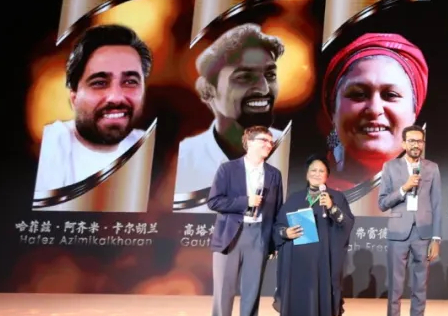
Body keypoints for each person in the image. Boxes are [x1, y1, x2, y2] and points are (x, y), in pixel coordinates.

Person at [175, 23, 286, 213]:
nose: (264, 89)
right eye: (244, 77)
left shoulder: (291, 152)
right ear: (209, 90)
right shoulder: (182, 160)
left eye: (270, 75)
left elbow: (304, 227)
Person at [34, 24, 153, 198]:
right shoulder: (50, 148)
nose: (116, 97)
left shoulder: (154, 151)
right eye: (99, 83)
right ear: (74, 97)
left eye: (130, 82)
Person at [205, 125, 284, 316]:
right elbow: (214, 201)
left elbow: (276, 211)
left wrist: (273, 243)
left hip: (258, 237)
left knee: (251, 296)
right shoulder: (228, 169)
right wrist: (245, 202)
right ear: (248, 142)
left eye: (271, 141)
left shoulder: (274, 174)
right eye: (264, 140)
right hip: (230, 236)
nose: (269, 145)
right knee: (223, 295)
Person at [321, 33, 429, 197]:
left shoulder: (434, 193)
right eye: (358, 95)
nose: (374, 109)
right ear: (333, 110)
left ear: (415, 111)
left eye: (391, 95)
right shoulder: (303, 194)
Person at [272, 155, 355, 316]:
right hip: (296, 262)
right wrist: (285, 232)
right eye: (313, 170)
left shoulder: (336, 197)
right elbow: (278, 226)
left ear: (327, 175)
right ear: (307, 174)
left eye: (321, 171)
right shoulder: (294, 198)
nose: (317, 174)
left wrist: (332, 207)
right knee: (297, 303)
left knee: (317, 301)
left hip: (321, 263)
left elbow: (346, 225)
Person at [378, 125, 442, 316]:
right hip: (398, 234)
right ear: (403, 144)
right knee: (395, 292)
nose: (416, 145)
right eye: (411, 141)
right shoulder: (390, 167)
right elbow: (382, 203)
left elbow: (437, 205)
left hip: (423, 235)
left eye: (420, 141)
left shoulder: (432, 168)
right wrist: (404, 188)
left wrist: (436, 238)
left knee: (420, 292)